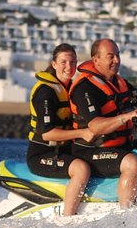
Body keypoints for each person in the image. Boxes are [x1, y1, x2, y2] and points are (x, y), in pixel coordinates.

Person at [69, 38, 137, 208]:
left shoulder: (117, 82)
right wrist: (126, 117)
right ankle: (126, 217)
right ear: (95, 59)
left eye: (118, 55)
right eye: (110, 56)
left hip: (119, 145)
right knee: (131, 162)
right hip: (90, 151)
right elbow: (95, 126)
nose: (117, 60)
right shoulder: (85, 88)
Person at [26, 43, 95, 215]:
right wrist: (82, 133)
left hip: (65, 150)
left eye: (73, 62)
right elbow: (47, 133)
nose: (69, 67)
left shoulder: (72, 88)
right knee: (81, 169)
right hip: (42, 154)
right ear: (54, 64)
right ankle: (68, 220)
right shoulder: (46, 92)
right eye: (64, 62)